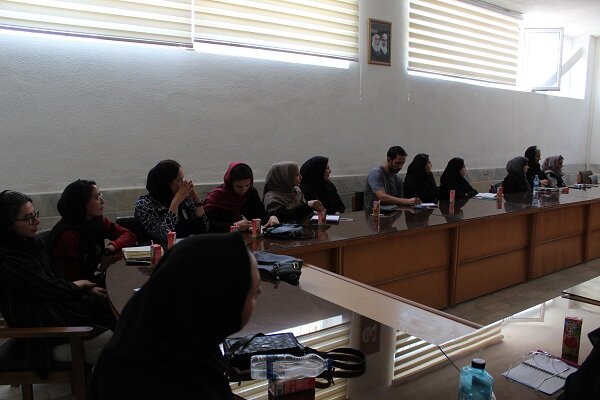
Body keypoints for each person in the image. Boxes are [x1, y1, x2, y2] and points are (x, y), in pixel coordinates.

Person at [89, 233, 261, 400]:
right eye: (253, 293)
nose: (257, 296)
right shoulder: (184, 384)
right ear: (222, 302)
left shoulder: (134, 347)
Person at [0, 190, 114, 378]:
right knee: (116, 342)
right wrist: (79, 286)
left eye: (35, 214)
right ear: (7, 224)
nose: (36, 222)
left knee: (118, 317)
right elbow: (50, 288)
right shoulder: (8, 261)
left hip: (57, 318)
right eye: (28, 218)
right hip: (44, 337)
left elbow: (54, 282)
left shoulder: (29, 246)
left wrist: (83, 287)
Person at [47, 180, 137, 284]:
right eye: (97, 197)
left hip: (90, 280)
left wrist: (110, 249)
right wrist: (90, 288)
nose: (102, 201)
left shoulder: (96, 221)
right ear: (82, 203)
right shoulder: (67, 236)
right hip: (74, 288)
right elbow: (69, 280)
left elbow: (129, 235)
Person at [134, 160, 209, 243]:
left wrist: (197, 200)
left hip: (185, 247)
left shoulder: (184, 201)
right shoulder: (144, 205)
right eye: (179, 180)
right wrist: (175, 203)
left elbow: (203, 229)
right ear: (166, 183)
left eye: (183, 179)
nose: (183, 184)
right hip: (159, 250)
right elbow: (163, 236)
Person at [204, 162, 278, 232]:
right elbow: (207, 226)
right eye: (239, 187)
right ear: (230, 184)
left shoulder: (251, 192)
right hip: (223, 238)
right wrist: (234, 226)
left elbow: (260, 216)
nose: (244, 189)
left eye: (247, 185)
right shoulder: (216, 197)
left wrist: (271, 218)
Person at [364, 146, 421, 212]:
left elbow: (400, 202)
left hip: (392, 214)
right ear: (389, 159)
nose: (400, 167)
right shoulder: (376, 173)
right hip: (373, 214)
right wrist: (407, 201)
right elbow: (381, 197)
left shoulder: (398, 180)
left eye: (402, 163)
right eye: (398, 163)